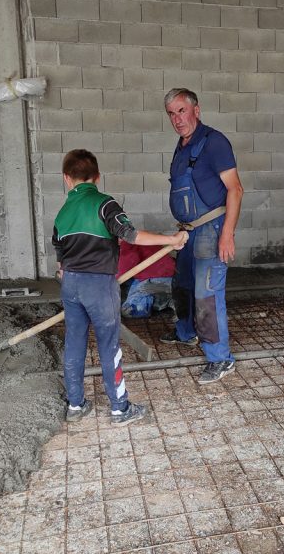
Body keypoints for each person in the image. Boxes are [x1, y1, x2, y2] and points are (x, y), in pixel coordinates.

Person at [52, 149, 188, 425]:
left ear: (66, 178)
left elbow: (60, 258)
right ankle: (119, 408)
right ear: (97, 177)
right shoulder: (105, 204)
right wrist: (172, 240)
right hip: (99, 285)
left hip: (70, 284)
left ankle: (75, 405)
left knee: (74, 343)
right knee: (108, 344)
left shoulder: (62, 213)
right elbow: (131, 235)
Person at [160, 88, 244, 384]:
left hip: (211, 229)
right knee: (182, 284)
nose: (177, 119)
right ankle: (186, 332)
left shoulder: (214, 142)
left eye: (181, 111)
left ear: (196, 110)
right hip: (188, 230)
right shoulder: (182, 146)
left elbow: (236, 189)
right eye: (171, 113)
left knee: (206, 293)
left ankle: (220, 358)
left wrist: (227, 234)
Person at [117, 240, 175, 318]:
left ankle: (163, 300)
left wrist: (111, 282)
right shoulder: (143, 238)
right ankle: (166, 299)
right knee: (128, 285)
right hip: (170, 277)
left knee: (127, 310)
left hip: (154, 280)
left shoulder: (127, 242)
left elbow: (126, 266)